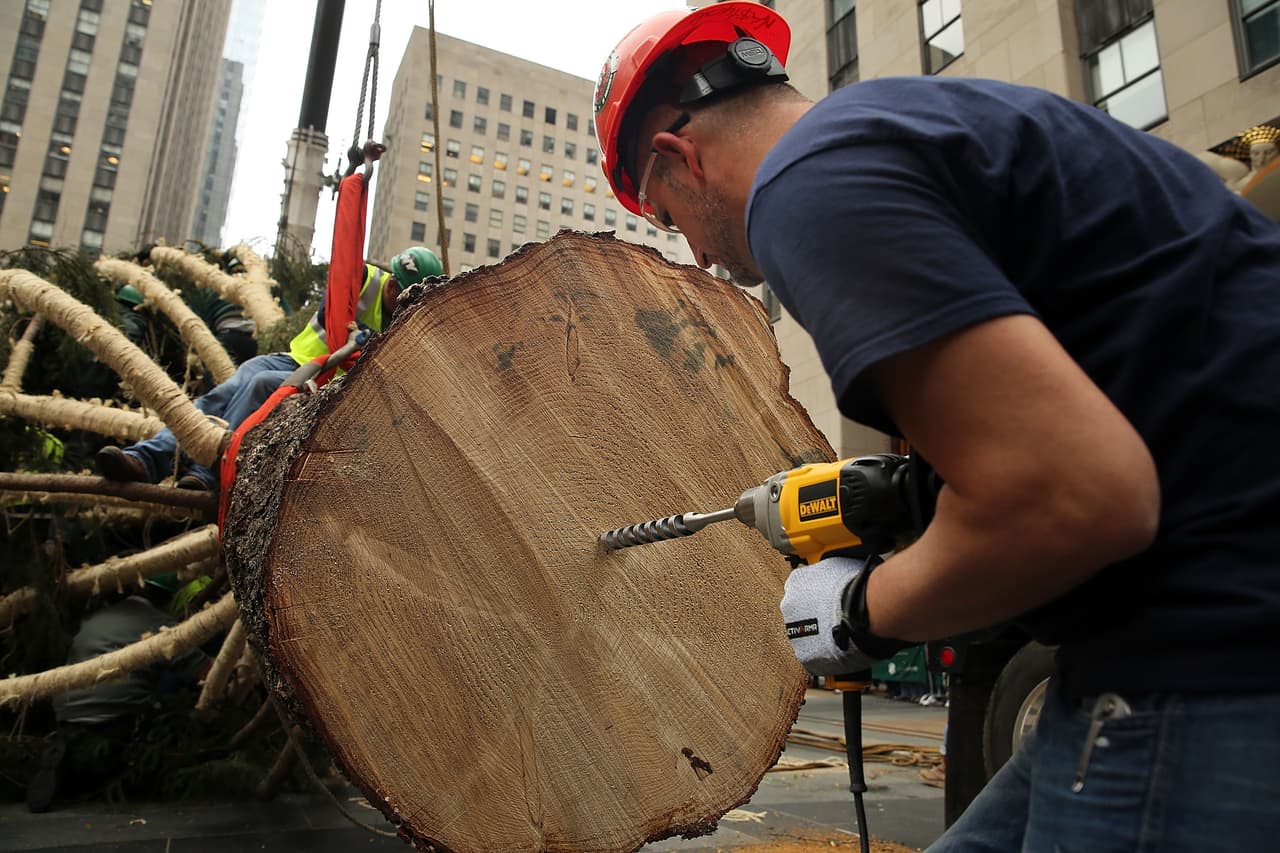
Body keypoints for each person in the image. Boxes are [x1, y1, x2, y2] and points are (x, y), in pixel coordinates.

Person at [594, 4, 1280, 850]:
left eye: (668, 217)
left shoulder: (809, 185)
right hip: (1137, 647)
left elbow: (1074, 495)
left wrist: (857, 609)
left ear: (678, 157)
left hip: (1210, 654)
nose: (695, 254)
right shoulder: (920, 127)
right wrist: (931, 500)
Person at [96, 248, 442, 490]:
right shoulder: (362, 277)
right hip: (296, 360)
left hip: (327, 390)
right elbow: (331, 306)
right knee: (232, 385)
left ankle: (210, 470)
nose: (394, 292)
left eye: (403, 292)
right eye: (395, 284)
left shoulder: (408, 326)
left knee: (262, 385)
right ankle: (146, 459)